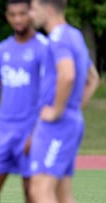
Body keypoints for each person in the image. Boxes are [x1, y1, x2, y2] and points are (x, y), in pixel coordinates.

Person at [28, 0, 100, 203]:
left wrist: (58, 111)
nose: (31, 14)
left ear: (48, 9)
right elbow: (92, 78)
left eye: (34, 9)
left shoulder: (58, 37)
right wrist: (74, 108)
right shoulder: (74, 35)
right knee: (63, 195)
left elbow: (67, 75)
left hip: (57, 125)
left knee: (40, 190)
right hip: (70, 120)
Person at [0, 0, 48, 202]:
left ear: (32, 14)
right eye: (13, 15)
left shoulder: (44, 48)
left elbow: (50, 94)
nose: (18, 19)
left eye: (22, 14)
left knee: (31, 192)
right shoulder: (1, 50)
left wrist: (37, 131)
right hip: (3, 132)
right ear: (7, 16)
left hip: (31, 131)